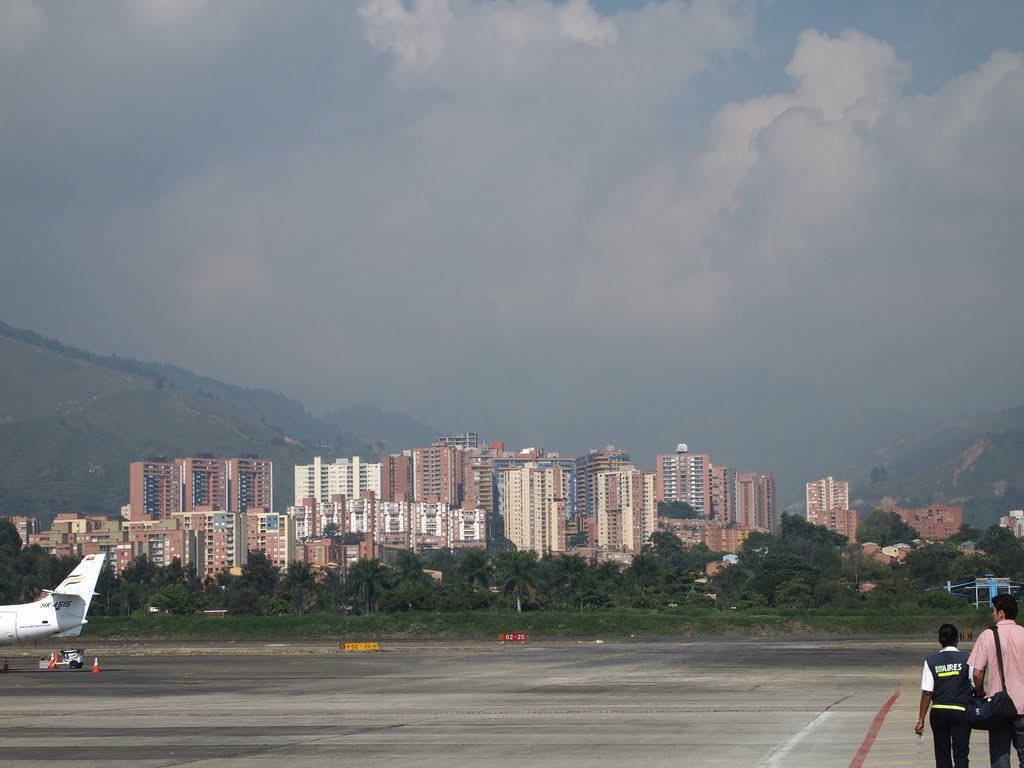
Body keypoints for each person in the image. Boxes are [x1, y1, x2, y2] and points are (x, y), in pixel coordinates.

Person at [969, 593, 1024, 768]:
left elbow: (977, 672)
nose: (992, 614)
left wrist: (979, 691)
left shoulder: (988, 635)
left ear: (1001, 613)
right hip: (1023, 707)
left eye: (993, 611)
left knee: (1000, 759)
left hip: (999, 707)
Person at [916, 623, 972, 768]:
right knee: (961, 753)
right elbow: (974, 682)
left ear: (940, 640)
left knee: (942, 754)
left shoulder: (930, 661)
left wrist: (920, 720)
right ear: (956, 639)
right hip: (961, 711)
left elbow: (927, 692)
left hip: (939, 711)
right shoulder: (968, 658)